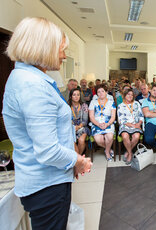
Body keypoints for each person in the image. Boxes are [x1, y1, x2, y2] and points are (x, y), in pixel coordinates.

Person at [2, 17, 92, 229]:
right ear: (44, 48)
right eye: (61, 49)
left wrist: (71, 162)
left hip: (49, 179)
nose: (63, 55)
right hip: (46, 186)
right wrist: (78, 161)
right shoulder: (32, 86)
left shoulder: (28, 78)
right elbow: (48, 151)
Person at [89, 84, 116, 161]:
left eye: (102, 91)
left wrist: (107, 124)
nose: (101, 93)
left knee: (110, 137)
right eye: (98, 92)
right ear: (96, 94)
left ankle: (107, 152)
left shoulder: (111, 102)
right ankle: (109, 149)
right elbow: (91, 117)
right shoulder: (93, 102)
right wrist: (98, 124)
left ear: (106, 92)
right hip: (96, 123)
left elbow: (113, 117)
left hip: (108, 123)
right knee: (98, 139)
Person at [117, 89, 144, 165]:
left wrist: (139, 124)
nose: (130, 96)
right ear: (125, 95)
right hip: (125, 125)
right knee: (125, 136)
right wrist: (132, 125)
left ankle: (128, 152)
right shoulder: (120, 106)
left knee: (136, 136)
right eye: (128, 94)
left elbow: (141, 115)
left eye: (132, 95)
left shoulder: (137, 104)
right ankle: (130, 153)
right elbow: (121, 120)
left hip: (136, 124)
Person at [69, 88, 90, 155]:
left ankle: (78, 159)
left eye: (78, 95)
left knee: (81, 140)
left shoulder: (84, 106)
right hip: (70, 127)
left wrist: (78, 127)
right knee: (72, 142)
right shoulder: (67, 106)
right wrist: (73, 127)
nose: (76, 97)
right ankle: (78, 160)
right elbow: (66, 119)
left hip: (82, 127)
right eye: (74, 95)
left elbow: (85, 121)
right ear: (70, 96)